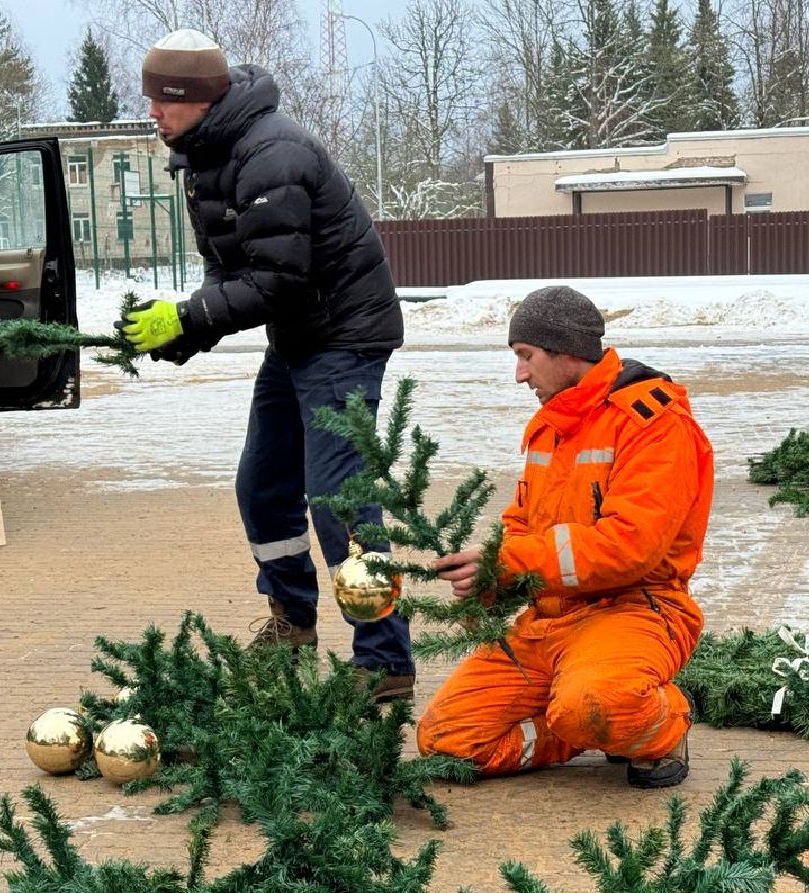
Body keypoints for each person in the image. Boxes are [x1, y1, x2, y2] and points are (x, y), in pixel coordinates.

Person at [120, 29, 414, 700]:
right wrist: (183, 333)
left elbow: (279, 278)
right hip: (299, 337)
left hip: (346, 336)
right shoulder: (205, 155)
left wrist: (189, 316)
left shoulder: (271, 153)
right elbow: (231, 271)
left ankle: (385, 662)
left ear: (198, 98)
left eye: (163, 100)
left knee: (338, 498)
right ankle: (292, 622)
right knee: (261, 487)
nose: (153, 113)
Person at [416, 287, 713, 787]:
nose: (520, 375)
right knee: (447, 742)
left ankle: (660, 724)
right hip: (549, 621)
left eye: (526, 356)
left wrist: (509, 563)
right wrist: (488, 581)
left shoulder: (654, 424)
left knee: (596, 703)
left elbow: (629, 547)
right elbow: (522, 526)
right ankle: (581, 726)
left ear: (567, 352)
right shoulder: (551, 425)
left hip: (633, 612)